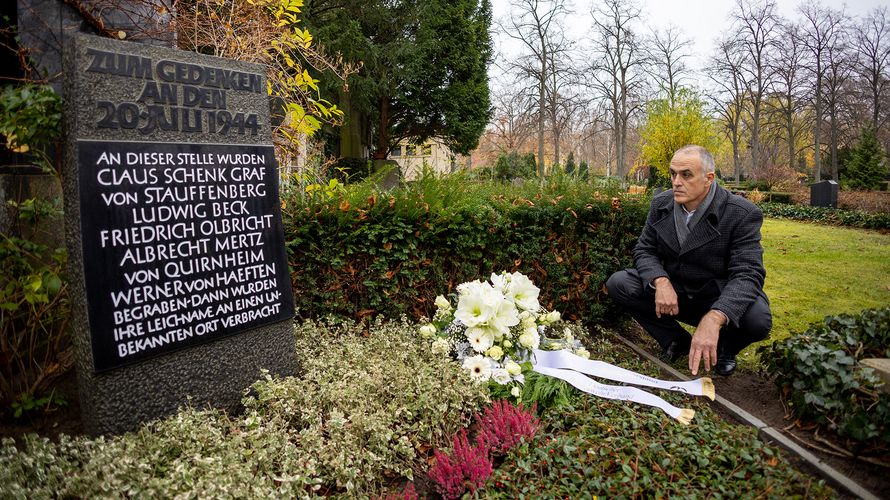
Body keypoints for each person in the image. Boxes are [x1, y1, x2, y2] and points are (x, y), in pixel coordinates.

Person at [606, 145, 771, 376]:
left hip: (716, 295)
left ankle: (725, 348)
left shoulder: (741, 213)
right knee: (619, 284)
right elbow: (645, 249)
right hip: (675, 293)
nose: (676, 181)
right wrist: (660, 280)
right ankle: (676, 341)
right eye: (673, 173)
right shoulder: (661, 204)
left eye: (686, 175)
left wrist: (716, 317)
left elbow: (748, 273)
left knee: (758, 320)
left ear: (708, 178)